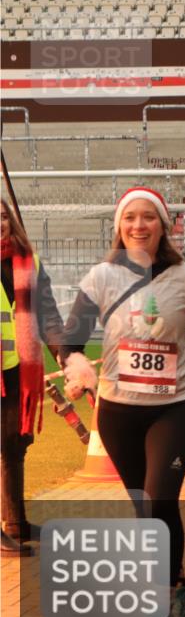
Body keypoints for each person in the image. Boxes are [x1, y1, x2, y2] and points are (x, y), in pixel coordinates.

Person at [60, 187, 185, 617]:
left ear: (163, 225)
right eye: (129, 218)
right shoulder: (101, 276)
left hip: (177, 407)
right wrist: (76, 367)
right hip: (117, 411)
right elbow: (70, 341)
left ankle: (160, 606)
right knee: (146, 507)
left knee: (157, 500)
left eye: (147, 218)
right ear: (119, 225)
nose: (138, 225)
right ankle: (179, 585)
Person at [1, 199, 65, 557]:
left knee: (14, 444)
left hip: (18, 370)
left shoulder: (29, 263)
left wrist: (65, 355)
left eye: (3, 215)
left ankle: (16, 523)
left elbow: (50, 317)